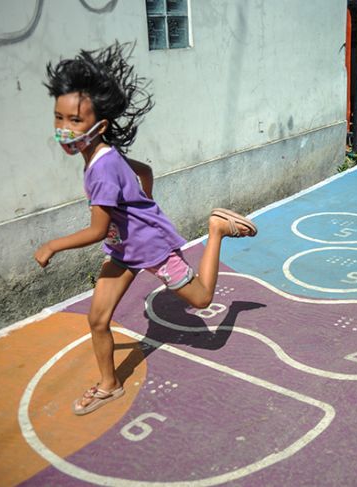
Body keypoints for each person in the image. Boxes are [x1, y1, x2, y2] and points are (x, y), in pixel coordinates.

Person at [34, 42, 258, 415]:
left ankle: (217, 229)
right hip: (124, 249)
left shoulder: (101, 168)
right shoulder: (102, 154)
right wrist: (142, 208)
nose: (63, 129)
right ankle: (109, 385)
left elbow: (94, 230)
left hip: (149, 247)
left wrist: (52, 245)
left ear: (99, 126)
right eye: (59, 118)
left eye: (74, 121)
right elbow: (145, 173)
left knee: (202, 301)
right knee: (98, 318)